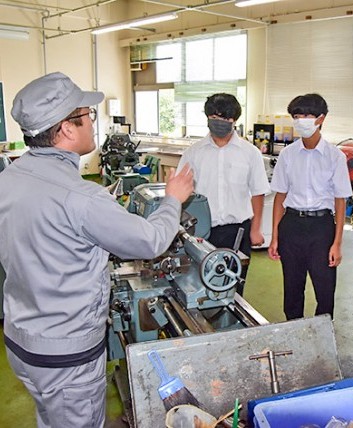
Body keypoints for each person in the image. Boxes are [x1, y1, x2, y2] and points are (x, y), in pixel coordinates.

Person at [0, 72, 195, 428]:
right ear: (66, 129)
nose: (93, 122)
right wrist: (173, 199)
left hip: (22, 342)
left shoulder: (9, 178)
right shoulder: (82, 198)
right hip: (66, 353)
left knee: (51, 418)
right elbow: (151, 241)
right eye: (87, 115)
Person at [268, 93, 352, 320]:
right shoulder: (287, 155)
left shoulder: (335, 156)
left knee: (325, 290)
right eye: (296, 116)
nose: (301, 121)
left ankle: (322, 334)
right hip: (291, 225)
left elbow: (340, 200)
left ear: (321, 119)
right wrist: (275, 237)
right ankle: (294, 331)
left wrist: (337, 243)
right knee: (292, 288)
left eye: (306, 116)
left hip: (321, 227)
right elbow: (280, 197)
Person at [177, 93, 270, 295]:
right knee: (200, 286)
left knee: (234, 287)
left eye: (225, 118)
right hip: (201, 232)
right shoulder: (193, 153)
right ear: (207, 118)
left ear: (234, 120)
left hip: (238, 231)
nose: (219, 122)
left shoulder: (250, 153)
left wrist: (256, 229)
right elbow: (180, 190)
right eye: (214, 117)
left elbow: (258, 193)